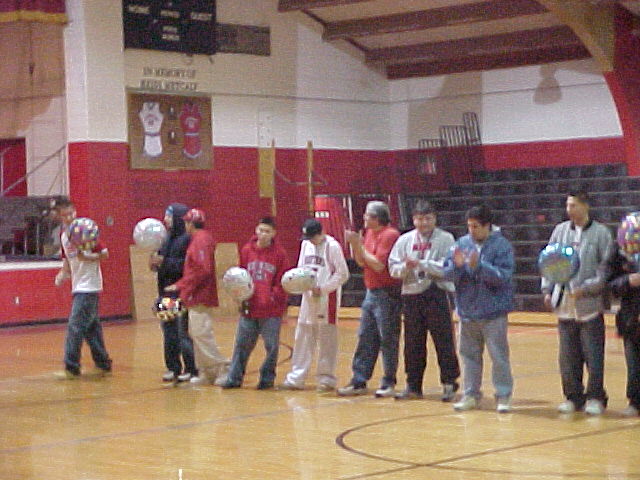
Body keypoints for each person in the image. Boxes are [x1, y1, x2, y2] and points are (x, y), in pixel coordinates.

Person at [542, 192, 613, 415]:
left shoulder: (601, 234)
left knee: (594, 356)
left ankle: (595, 397)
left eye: (573, 205)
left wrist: (586, 288)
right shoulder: (559, 231)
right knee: (568, 357)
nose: (569, 210)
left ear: (586, 206)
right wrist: (547, 290)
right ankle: (573, 397)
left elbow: (606, 270)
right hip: (564, 307)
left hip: (589, 306)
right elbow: (548, 262)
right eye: (567, 205)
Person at [443, 205, 514, 413]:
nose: (471, 231)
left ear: (487, 226)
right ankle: (471, 394)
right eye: (469, 226)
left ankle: (503, 395)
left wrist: (479, 267)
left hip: (493, 313)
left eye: (476, 226)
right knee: (468, 357)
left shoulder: (502, 246)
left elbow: (503, 277)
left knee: (499, 357)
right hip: (467, 312)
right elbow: (447, 274)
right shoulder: (461, 244)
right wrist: (456, 267)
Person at [389, 200, 460, 401]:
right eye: (419, 219)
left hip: (437, 292)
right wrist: (406, 267)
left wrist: (422, 264)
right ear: (413, 220)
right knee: (413, 342)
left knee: (443, 340)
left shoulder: (446, 239)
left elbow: (449, 267)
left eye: (428, 218)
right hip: (411, 294)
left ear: (434, 219)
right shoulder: (404, 240)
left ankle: (449, 383)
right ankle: (413, 385)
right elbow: (393, 268)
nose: (424, 223)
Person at [337, 201, 402, 397]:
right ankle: (359, 380)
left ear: (377, 218)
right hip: (370, 292)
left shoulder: (390, 235)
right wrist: (355, 245)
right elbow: (360, 262)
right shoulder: (369, 233)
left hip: (387, 293)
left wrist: (359, 245)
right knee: (365, 336)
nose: (364, 218)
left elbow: (378, 265)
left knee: (387, 338)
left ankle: (388, 382)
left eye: (367, 215)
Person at [281, 219, 349, 392]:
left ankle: (326, 378)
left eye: (313, 237)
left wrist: (324, 288)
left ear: (322, 233)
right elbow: (301, 268)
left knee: (327, 337)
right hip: (308, 296)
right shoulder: (306, 244)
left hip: (327, 298)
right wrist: (297, 284)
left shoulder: (332, 246)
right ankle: (296, 378)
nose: (310, 240)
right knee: (303, 334)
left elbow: (343, 274)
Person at [222, 216, 290, 390]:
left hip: (271, 310)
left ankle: (267, 379)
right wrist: (239, 297)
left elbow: (283, 281)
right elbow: (240, 277)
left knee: (271, 346)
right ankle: (234, 378)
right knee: (241, 345)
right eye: (261, 230)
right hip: (249, 307)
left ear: (274, 233)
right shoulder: (246, 250)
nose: (263, 234)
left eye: (267, 231)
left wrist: (273, 297)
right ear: (256, 230)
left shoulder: (280, 254)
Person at [165, 208, 229, 385]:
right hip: (194, 294)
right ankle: (207, 372)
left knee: (201, 333)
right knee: (196, 333)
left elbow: (202, 269)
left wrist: (181, 285)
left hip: (199, 295)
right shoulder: (200, 239)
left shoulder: (200, 240)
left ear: (190, 224)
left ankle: (222, 366)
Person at [53, 199, 112, 379]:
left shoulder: (85, 230)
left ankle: (71, 367)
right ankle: (103, 363)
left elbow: (104, 254)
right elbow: (67, 259)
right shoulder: (64, 236)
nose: (69, 217)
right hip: (78, 285)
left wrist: (88, 258)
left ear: (75, 211)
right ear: (59, 217)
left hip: (89, 286)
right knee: (91, 328)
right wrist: (63, 273)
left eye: (71, 213)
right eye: (65, 215)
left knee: (75, 326)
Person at [149, 203, 197, 384]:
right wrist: (154, 264)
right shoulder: (165, 239)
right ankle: (172, 367)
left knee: (182, 331)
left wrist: (165, 262)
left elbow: (187, 265)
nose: (165, 219)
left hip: (180, 291)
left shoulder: (187, 239)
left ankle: (191, 368)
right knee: (168, 331)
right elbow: (161, 262)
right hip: (165, 291)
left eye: (169, 216)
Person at [607, 246, 640, 416]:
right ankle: (635, 402)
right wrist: (627, 281)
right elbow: (611, 285)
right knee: (633, 366)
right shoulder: (620, 251)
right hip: (631, 320)